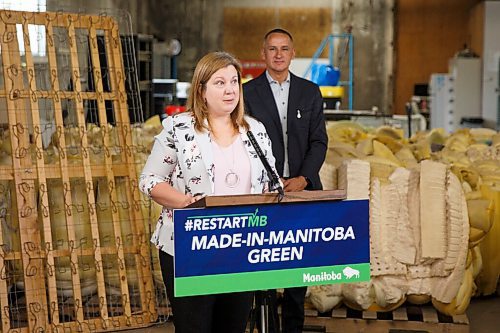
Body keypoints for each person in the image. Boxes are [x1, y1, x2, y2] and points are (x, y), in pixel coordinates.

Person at [139, 51, 280, 333]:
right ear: (201, 90)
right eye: (219, 83)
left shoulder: (255, 130)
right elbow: (150, 180)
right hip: (189, 247)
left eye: (234, 82)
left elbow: (270, 183)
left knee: (233, 326)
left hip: (241, 247)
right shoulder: (178, 129)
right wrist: (186, 202)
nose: (229, 90)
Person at [243, 28, 328, 333]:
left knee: (298, 266)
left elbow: (319, 141)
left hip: (302, 192)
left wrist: (304, 178)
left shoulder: (310, 92)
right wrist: (271, 180)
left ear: (293, 53)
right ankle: (266, 325)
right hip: (264, 193)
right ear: (262, 54)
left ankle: (293, 327)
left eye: (284, 49)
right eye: (272, 49)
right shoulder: (247, 94)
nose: (278, 54)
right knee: (262, 261)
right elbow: (245, 142)